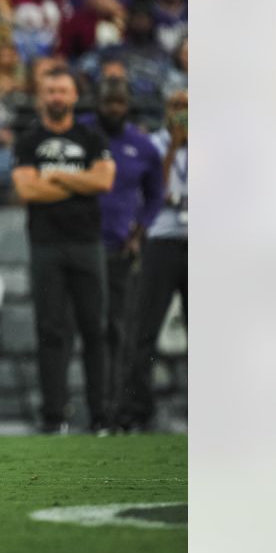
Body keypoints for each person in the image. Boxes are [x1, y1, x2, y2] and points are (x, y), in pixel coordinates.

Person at [11, 67, 116, 434]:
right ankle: (54, 417)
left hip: (87, 244)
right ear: (43, 96)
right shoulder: (28, 141)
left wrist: (55, 177)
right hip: (46, 246)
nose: (56, 96)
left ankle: (100, 415)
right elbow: (27, 191)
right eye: (51, 90)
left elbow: (104, 180)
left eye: (63, 90)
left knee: (94, 330)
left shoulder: (90, 135)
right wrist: (79, 183)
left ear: (74, 96)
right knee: (51, 331)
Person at [79, 78, 164, 420]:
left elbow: (156, 194)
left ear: (127, 105)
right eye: (107, 102)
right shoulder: (80, 133)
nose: (112, 109)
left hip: (118, 249)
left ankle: (118, 407)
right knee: (85, 330)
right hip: (80, 244)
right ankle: (93, 407)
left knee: (118, 330)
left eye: (118, 103)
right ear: (96, 102)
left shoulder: (141, 145)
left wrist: (140, 229)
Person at [120, 88, 187, 432]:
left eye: (188, 107)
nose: (182, 113)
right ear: (165, 110)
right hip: (160, 240)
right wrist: (174, 146)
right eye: (176, 106)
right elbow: (154, 192)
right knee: (144, 331)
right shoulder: (154, 145)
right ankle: (137, 410)